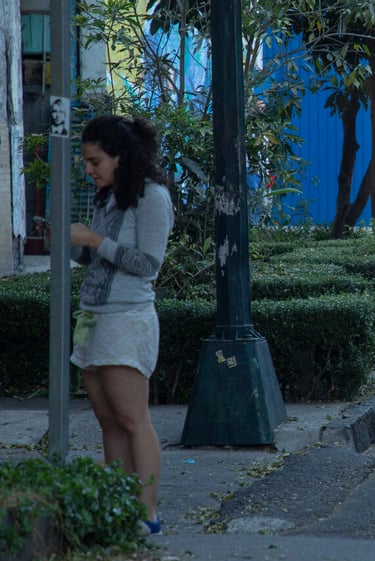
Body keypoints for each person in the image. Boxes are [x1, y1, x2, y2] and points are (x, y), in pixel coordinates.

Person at [70, 115, 174, 536]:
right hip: (93, 315)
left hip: (127, 318)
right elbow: (99, 261)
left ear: (120, 156)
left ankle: (146, 513)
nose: (89, 169)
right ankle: (120, 506)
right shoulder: (107, 197)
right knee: (107, 420)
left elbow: (147, 265)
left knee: (133, 418)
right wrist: (73, 244)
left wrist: (94, 241)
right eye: (86, 162)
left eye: (95, 161)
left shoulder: (152, 197)